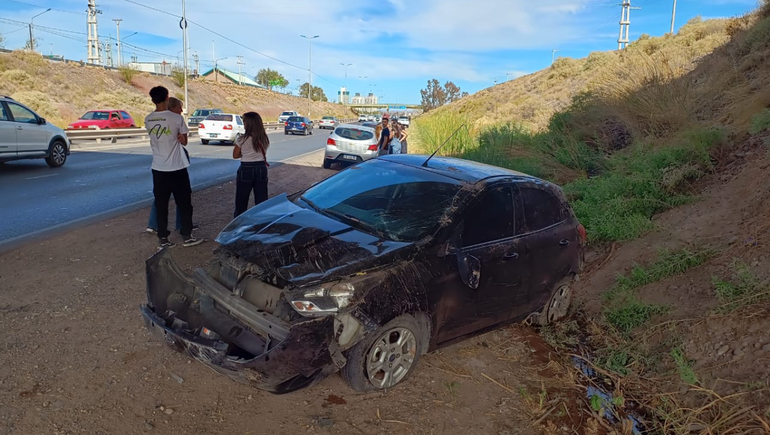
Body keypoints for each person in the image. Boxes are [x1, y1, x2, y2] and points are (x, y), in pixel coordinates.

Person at [145, 86, 202, 248]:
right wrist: (180, 137)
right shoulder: (176, 118)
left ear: (152, 99)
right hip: (177, 168)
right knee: (184, 203)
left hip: (158, 168)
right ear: (167, 98)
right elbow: (183, 141)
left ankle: (163, 238)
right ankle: (186, 235)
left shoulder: (148, 119)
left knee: (161, 204)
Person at [232, 111, 270, 218]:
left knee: (241, 199)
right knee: (261, 199)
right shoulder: (264, 139)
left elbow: (235, 155)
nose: (243, 124)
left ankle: (239, 223)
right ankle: (261, 221)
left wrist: (246, 154)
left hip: (246, 169)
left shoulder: (242, 140)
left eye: (244, 122)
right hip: (261, 168)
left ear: (248, 124)